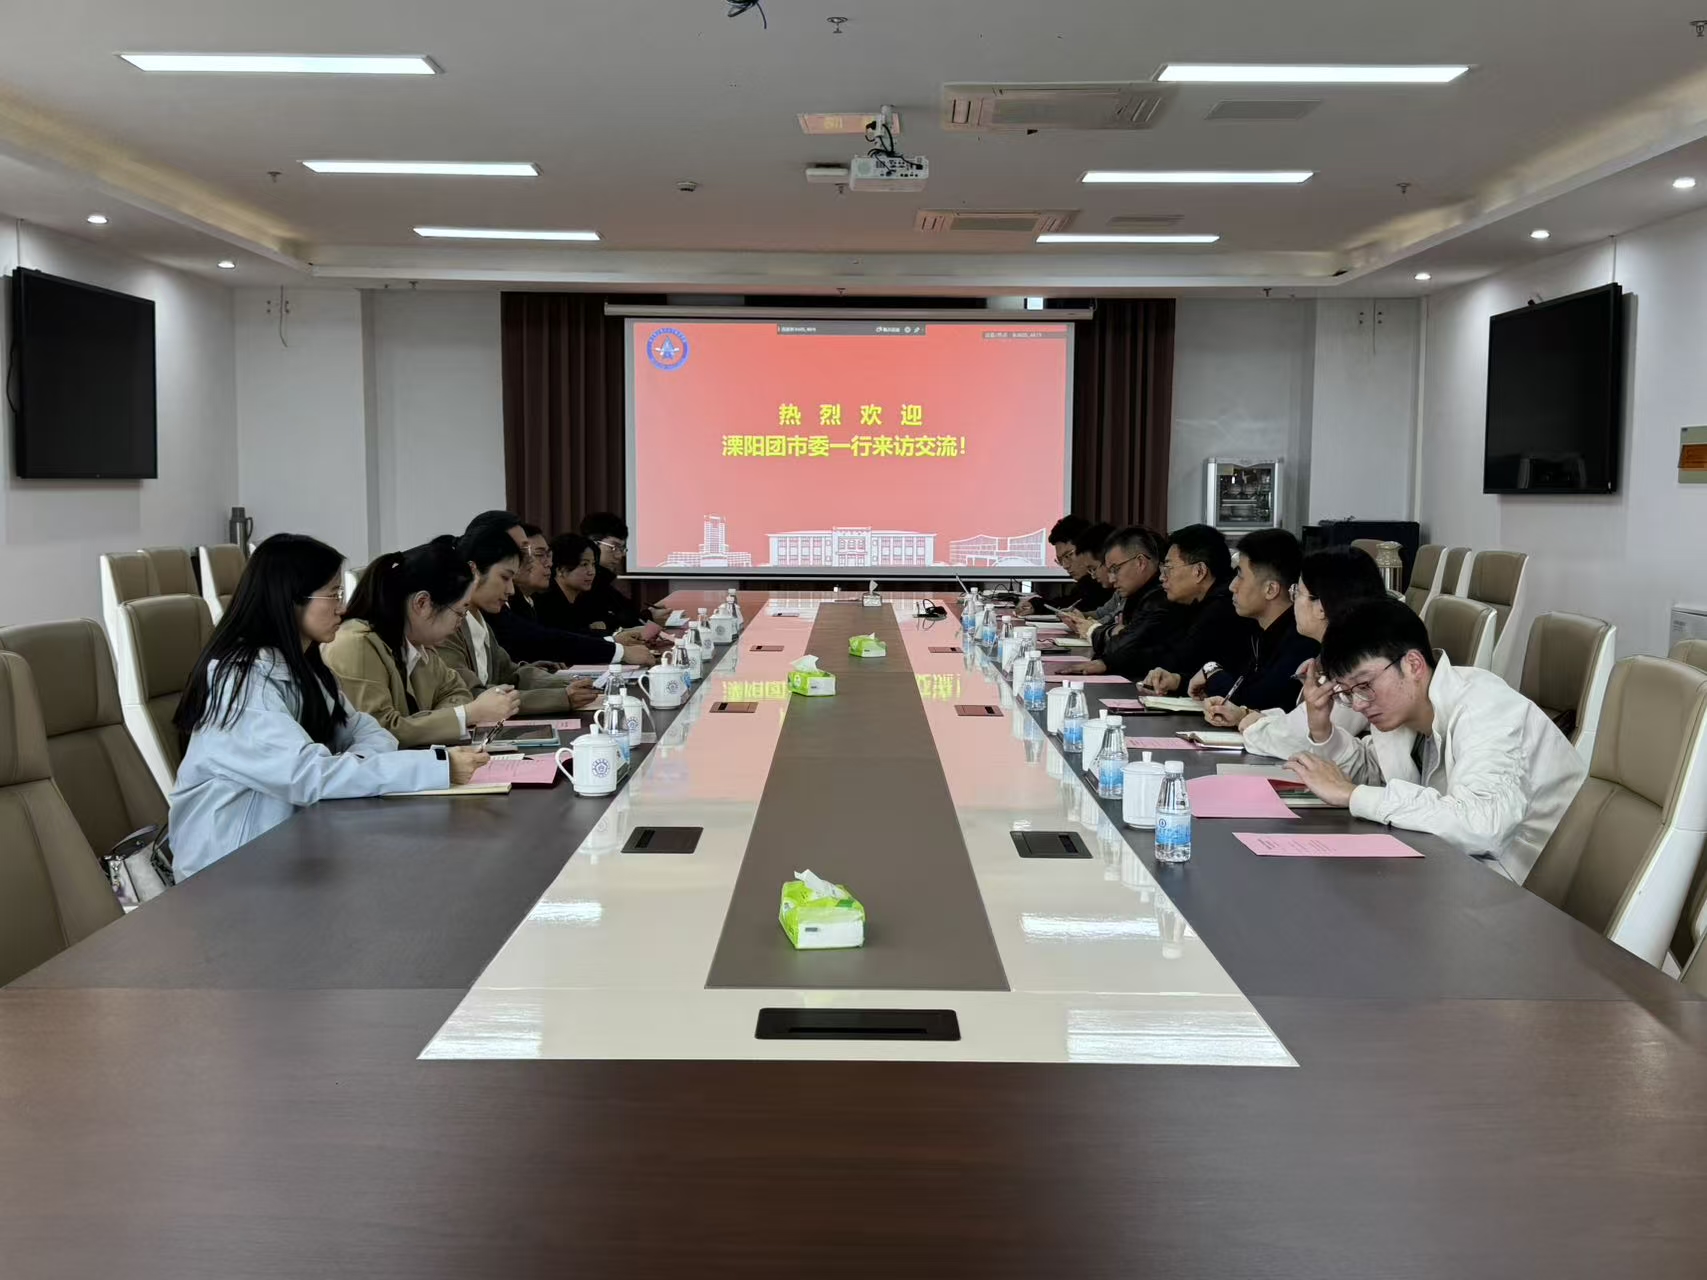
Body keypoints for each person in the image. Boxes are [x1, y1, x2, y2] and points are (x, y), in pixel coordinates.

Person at [169, 534, 487, 878]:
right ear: (291, 598)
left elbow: (369, 731)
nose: (343, 607)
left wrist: (350, 766)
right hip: (230, 870)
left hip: (292, 848)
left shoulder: (305, 668)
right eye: (333, 594)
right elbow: (308, 775)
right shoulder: (241, 682)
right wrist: (436, 767)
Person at [1284, 598, 1586, 882]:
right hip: (1452, 871)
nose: (1359, 704)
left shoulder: (1485, 708)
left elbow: (1482, 825)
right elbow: (1378, 775)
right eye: (1347, 693)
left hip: (1520, 887)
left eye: (1364, 685)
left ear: (1413, 665)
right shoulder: (1404, 709)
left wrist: (1352, 795)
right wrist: (1322, 730)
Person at [323, 536, 521, 747]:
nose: (460, 624)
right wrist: (468, 714)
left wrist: (419, 724)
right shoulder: (355, 644)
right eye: (460, 612)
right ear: (422, 603)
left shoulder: (418, 645)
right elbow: (380, 733)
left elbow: (457, 692)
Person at [1236, 546, 1389, 752]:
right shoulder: (1343, 650)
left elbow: (1303, 740)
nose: (1293, 602)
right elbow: (1303, 722)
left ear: (1321, 607)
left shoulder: (1358, 664)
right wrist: (1253, 717)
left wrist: (1252, 726)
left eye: (1297, 593)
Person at [437, 523, 600, 714]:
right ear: (475, 571)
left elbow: (512, 673)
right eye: (504, 578)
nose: (511, 590)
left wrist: (569, 682)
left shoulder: (479, 621)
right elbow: (472, 695)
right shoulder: (446, 628)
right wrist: (561, 697)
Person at [476, 511, 656, 668]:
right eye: (537, 554)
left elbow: (535, 648)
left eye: (547, 554)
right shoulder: (518, 604)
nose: (547, 563)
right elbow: (543, 640)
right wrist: (617, 649)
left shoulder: (522, 601)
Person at [1186, 529, 1318, 722]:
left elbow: (1256, 701)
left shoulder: (1302, 639)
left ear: (1270, 589)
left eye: (1240, 575)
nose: (1232, 586)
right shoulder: (1256, 629)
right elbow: (1238, 682)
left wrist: (1211, 671)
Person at [1140, 524, 1255, 692]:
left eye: (1168, 568)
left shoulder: (1222, 608)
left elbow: (1177, 661)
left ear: (1199, 571)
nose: (1162, 577)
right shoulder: (1195, 602)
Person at [1051, 527, 1173, 679]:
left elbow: (1125, 646)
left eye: (1115, 569)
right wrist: (1112, 639)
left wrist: (1097, 632)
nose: (1111, 578)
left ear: (1141, 562)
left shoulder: (1160, 598)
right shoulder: (1138, 594)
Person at [581, 512, 670, 628]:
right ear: (593, 544)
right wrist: (648, 616)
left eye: (622, 548)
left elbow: (626, 611)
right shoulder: (584, 581)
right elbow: (602, 622)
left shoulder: (603, 580)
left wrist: (649, 614)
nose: (619, 555)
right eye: (614, 547)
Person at [1017, 515, 1091, 616]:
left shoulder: (1105, 582)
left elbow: (1082, 606)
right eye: (1060, 560)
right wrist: (1036, 605)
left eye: (1069, 555)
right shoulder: (1085, 584)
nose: (1065, 566)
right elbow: (1068, 603)